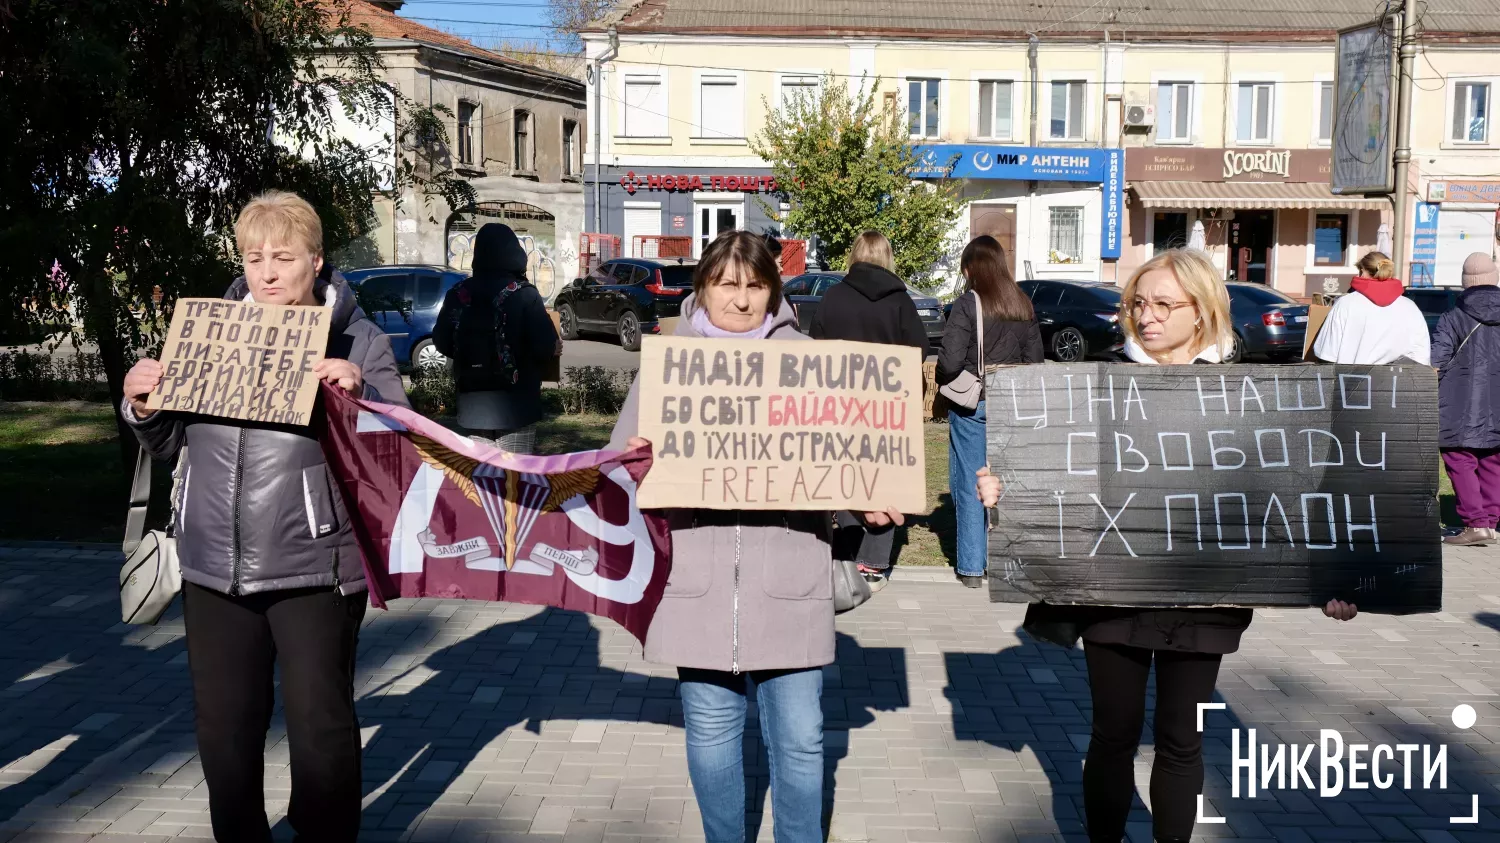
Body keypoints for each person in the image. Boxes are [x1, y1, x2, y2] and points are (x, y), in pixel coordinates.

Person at [976, 248, 1358, 843]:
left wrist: (1338, 575)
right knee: (1114, 731)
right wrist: (1007, 488)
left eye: (1162, 304)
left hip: (1206, 591)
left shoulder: (1249, 395)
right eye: (1137, 303)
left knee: (1183, 738)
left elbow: (1287, 492)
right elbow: (1053, 475)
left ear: (1202, 312)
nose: (1145, 316)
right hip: (1112, 589)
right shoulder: (1090, 386)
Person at [120, 190, 406, 843]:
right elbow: (169, 441)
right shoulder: (209, 330)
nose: (268, 271)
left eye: (284, 256)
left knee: (320, 728)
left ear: (317, 260)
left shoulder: (358, 338)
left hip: (317, 566)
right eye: (255, 257)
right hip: (213, 565)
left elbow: (395, 452)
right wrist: (140, 404)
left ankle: (323, 832)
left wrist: (356, 397)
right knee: (224, 729)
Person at [607, 230, 904, 843]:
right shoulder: (669, 364)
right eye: (726, 284)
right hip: (697, 585)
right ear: (703, 288)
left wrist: (869, 499)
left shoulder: (807, 360)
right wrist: (633, 462)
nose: (741, 300)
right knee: (711, 737)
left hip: (789, 582)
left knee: (799, 741)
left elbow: (841, 459)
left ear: (773, 290)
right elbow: (617, 461)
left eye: (755, 284)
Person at [808, 231, 929, 591]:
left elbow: (815, 349)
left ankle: (847, 548)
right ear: (888, 258)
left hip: (841, 405)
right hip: (887, 410)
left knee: (846, 470)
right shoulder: (899, 301)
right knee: (884, 475)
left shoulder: (833, 296)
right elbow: (919, 351)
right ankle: (875, 562)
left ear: (855, 256)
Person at [935, 235, 1044, 587]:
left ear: (971, 268)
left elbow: (949, 361)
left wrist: (950, 381)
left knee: (970, 482)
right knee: (1006, 482)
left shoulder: (969, 304)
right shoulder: (1023, 303)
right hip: (1012, 404)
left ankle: (971, 568)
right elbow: (1035, 363)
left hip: (975, 403)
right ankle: (1008, 563)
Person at [433, 222, 561, 453]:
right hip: (517, 406)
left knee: (482, 482)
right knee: (513, 481)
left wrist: (473, 355)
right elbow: (543, 347)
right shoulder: (524, 294)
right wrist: (553, 348)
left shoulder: (458, 294)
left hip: (472, 405)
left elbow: (441, 341)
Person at [1432, 252, 1500, 546]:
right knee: (1493, 461)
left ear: (1465, 282)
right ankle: (1492, 524)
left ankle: (1476, 524)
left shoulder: (1453, 316)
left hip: (1457, 405)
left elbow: (1437, 360)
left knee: (1459, 460)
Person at [1313, 250, 1430, 365]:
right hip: (1397, 381)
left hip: (1351, 380)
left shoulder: (1346, 304)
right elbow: (1421, 355)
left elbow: (1327, 354)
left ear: (1363, 272)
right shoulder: (1409, 307)